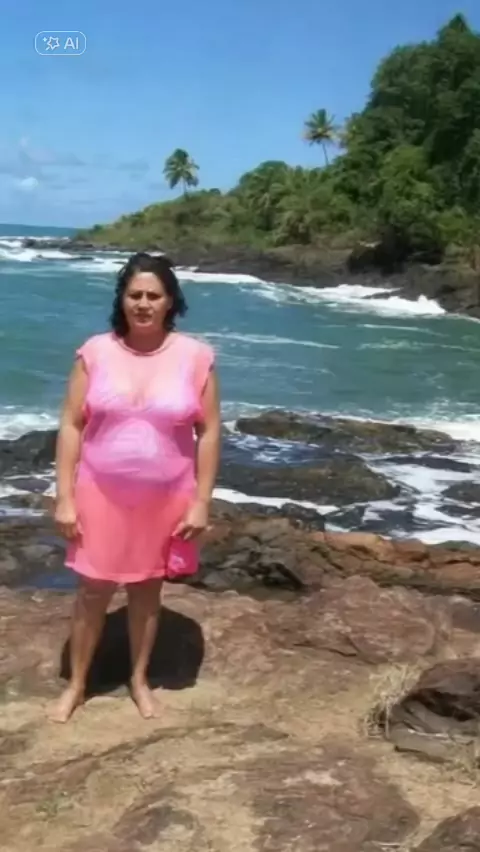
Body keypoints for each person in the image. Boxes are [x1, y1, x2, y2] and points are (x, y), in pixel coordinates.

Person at [51, 252, 221, 723]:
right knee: (93, 590)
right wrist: (64, 495)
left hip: (166, 498)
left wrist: (201, 501)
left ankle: (139, 680)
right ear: (122, 300)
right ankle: (77, 685)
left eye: (154, 296)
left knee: (147, 590)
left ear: (170, 302)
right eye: (134, 295)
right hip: (99, 493)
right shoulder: (94, 352)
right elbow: (71, 425)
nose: (143, 304)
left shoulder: (196, 357)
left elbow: (209, 432)